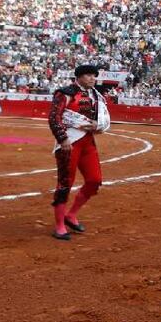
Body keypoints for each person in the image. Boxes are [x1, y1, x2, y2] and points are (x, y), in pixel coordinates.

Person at [48, 64, 110, 241]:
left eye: (94, 75)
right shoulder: (65, 93)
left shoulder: (96, 96)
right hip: (70, 143)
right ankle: (59, 225)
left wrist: (97, 125)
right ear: (79, 77)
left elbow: (103, 120)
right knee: (65, 183)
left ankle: (71, 214)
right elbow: (54, 117)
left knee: (94, 180)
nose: (92, 78)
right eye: (88, 75)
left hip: (88, 143)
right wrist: (62, 138)